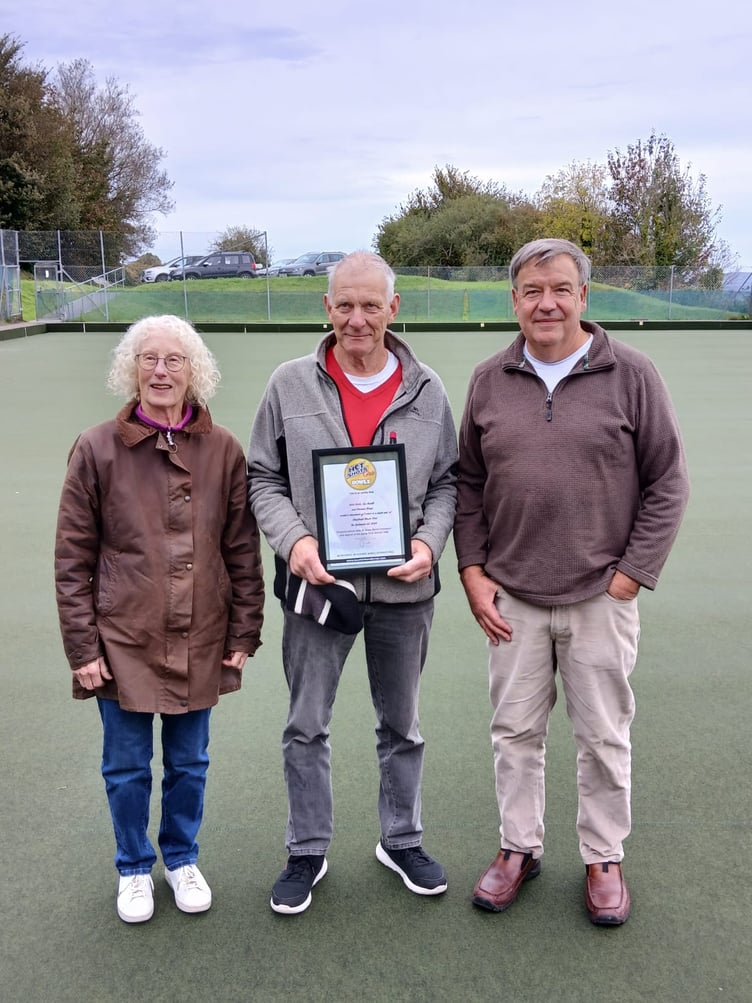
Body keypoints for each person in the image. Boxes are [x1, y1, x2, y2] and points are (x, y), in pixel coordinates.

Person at [454, 239, 689, 925]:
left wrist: (629, 577)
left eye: (560, 288)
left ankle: (603, 856)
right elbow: (468, 483)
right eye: (531, 290)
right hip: (512, 598)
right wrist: (472, 571)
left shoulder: (633, 374)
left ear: (584, 296)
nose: (546, 301)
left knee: (603, 734)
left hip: (600, 597)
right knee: (514, 733)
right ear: (515, 300)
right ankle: (518, 849)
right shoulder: (487, 380)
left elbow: (668, 482)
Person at [247, 251, 457, 914]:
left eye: (371, 305)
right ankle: (307, 847)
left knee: (402, 724)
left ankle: (401, 838)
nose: (358, 318)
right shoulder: (289, 384)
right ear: (327, 308)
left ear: (394, 309)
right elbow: (262, 477)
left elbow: (450, 482)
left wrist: (428, 542)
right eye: (345, 305)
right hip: (318, 591)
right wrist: (295, 540)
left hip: (404, 592)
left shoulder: (428, 388)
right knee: (305, 724)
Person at [55, 315, 264, 924]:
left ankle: (181, 858)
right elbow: (73, 559)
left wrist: (242, 632)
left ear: (194, 369)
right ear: (132, 369)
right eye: (149, 359)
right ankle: (132, 867)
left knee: (189, 762)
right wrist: (83, 648)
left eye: (174, 360)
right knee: (125, 765)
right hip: (122, 636)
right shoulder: (95, 447)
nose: (161, 370)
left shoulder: (222, 448)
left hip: (201, 633)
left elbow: (241, 549)